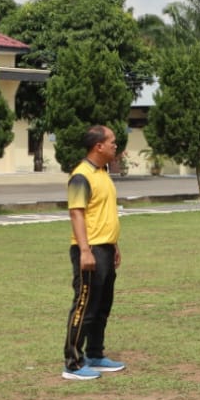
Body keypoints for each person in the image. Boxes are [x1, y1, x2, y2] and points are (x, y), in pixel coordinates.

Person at [62, 125, 125, 380]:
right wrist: (85, 250)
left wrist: (114, 245)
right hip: (89, 250)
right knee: (85, 305)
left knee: (102, 305)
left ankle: (96, 354)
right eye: (112, 141)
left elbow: (103, 213)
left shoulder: (102, 173)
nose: (115, 145)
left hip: (106, 248)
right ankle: (73, 363)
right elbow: (76, 213)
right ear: (98, 146)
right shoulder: (81, 175)